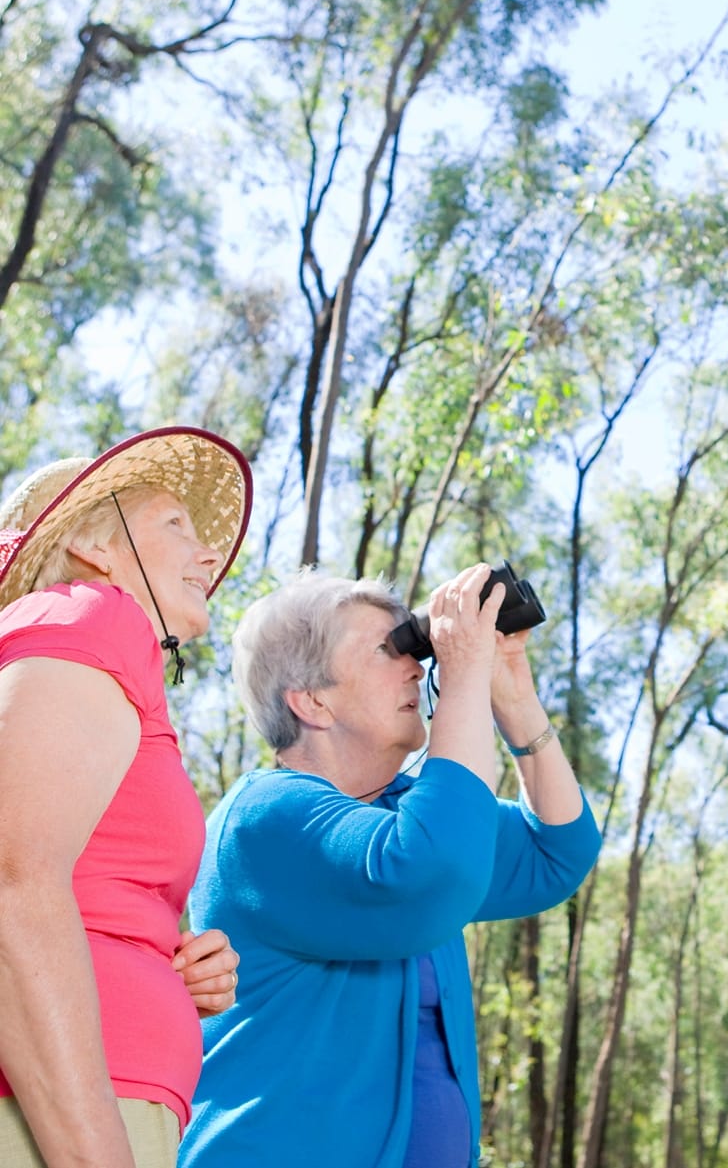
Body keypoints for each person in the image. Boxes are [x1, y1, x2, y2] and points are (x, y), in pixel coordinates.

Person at [180, 563, 600, 1168]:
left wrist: (512, 696)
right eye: (386, 650)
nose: (417, 666)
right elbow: (428, 873)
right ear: (312, 700)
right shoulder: (266, 817)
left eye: (413, 646)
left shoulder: (406, 815)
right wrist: (462, 677)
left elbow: (555, 853)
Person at [0, 426, 253, 1167]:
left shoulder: (90, 647)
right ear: (94, 547)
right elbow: (12, 882)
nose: (208, 553)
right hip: (65, 1120)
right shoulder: (93, 612)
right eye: (175, 523)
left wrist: (165, 961)